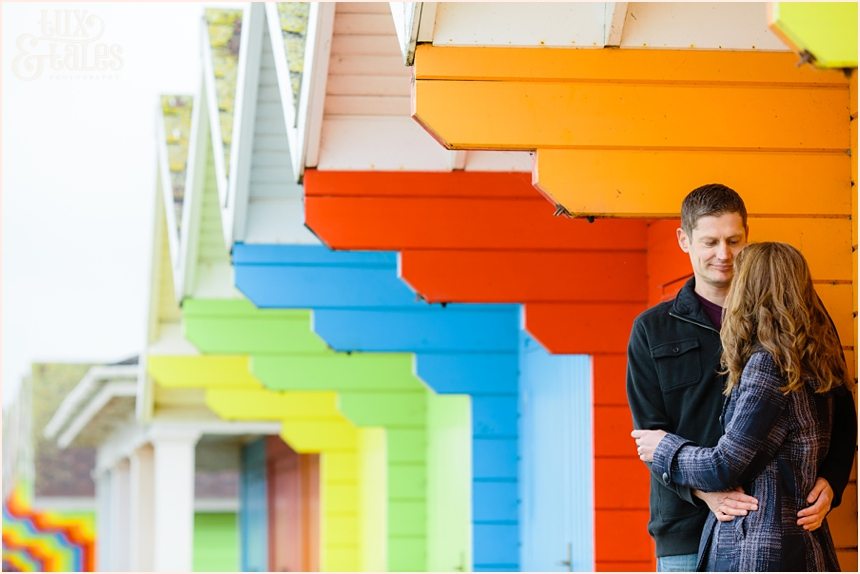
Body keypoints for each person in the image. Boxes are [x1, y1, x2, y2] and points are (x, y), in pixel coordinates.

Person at [625, 184, 856, 571]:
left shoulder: (798, 319)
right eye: (710, 241)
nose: (723, 254)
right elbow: (651, 437)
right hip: (686, 523)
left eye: (734, 240)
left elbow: (840, 406)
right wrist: (705, 491)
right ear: (684, 239)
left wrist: (832, 481)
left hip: (778, 518)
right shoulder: (653, 329)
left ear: (748, 237)